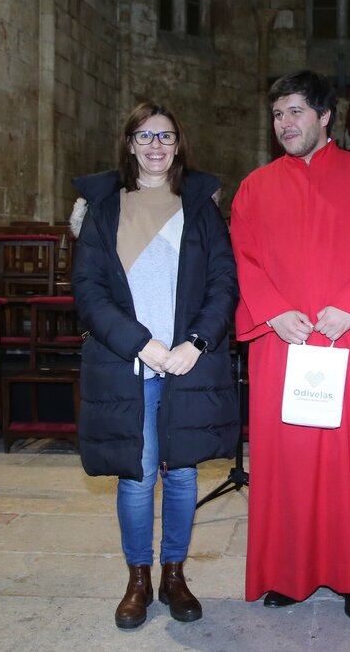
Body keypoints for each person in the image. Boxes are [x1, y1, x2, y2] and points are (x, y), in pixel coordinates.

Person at [230, 70, 350, 621]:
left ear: (325, 116)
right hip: (285, 342)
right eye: (277, 114)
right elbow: (243, 258)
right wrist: (272, 311)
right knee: (291, 461)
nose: (285, 124)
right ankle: (290, 572)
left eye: (296, 112)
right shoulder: (255, 188)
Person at [71, 101, 240, 630]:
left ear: (178, 144)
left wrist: (197, 342)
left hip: (188, 363)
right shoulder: (103, 208)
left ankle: (174, 575)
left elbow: (224, 282)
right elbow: (88, 290)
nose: (155, 146)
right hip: (129, 363)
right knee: (138, 475)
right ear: (129, 144)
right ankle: (138, 579)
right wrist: (140, 343)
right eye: (144, 136)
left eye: (165, 136)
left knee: (183, 474)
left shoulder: (200, 207)